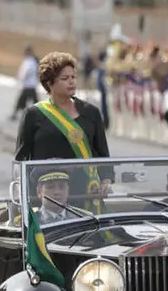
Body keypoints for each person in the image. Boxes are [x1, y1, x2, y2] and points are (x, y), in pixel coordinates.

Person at [15, 51, 113, 211]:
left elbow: (102, 153)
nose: (71, 82)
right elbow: (21, 159)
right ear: (50, 83)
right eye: (64, 78)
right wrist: (21, 189)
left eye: (73, 77)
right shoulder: (33, 114)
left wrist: (106, 181)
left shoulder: (91, 113)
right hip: (48, 196)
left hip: (85, 193)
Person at [10, 46, 39, 121]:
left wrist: (21, 77)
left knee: (29, 101)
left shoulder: (31, 61)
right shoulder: (28, 60)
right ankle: (20, 115)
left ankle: (17, 114)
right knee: (26, 101)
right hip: (28, 85)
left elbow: (28, 71)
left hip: (29, 85)